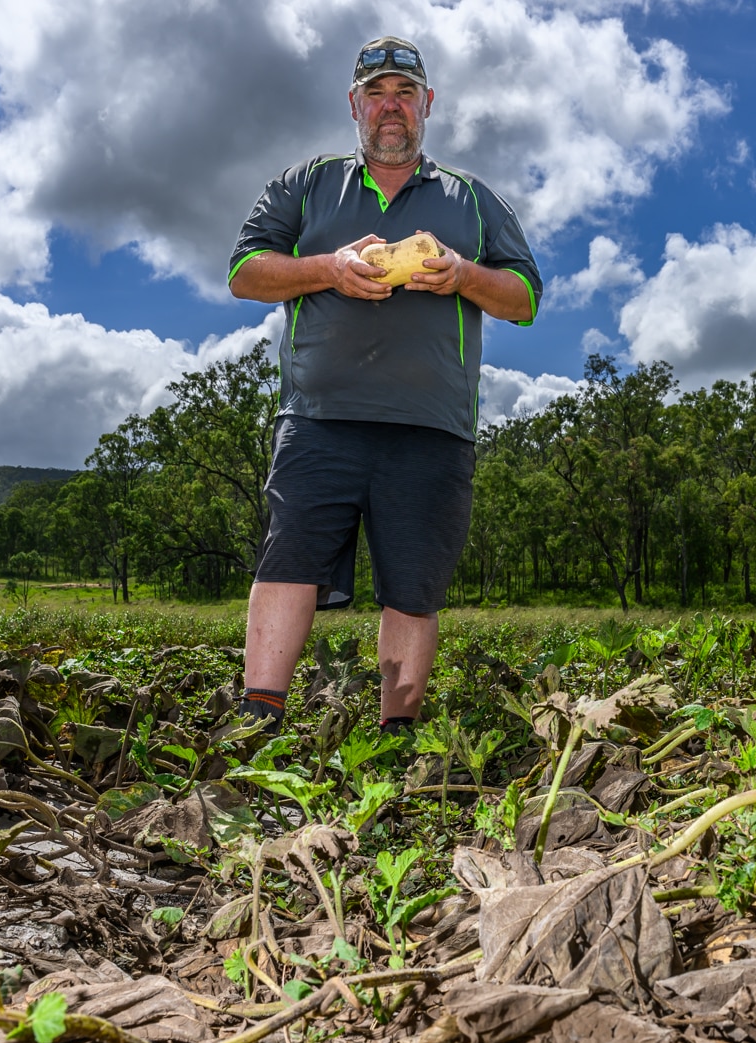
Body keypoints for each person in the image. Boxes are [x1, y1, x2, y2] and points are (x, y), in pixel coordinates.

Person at [227, 35, 541, 736]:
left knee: (412, 585)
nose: (390, 107)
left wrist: (462, 274)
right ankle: (258, 719)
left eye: (404, 93)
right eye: (376, 94)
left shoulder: (473, 200)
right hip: (317, 417)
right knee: (290, 559)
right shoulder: (307, 184)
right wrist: (330, 268)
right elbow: (245, 270)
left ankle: (396, 736)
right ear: (354, 106)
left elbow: (523, 295)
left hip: (431, 427)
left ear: (427, 104)